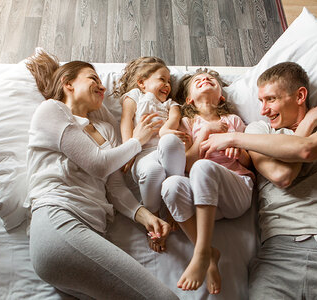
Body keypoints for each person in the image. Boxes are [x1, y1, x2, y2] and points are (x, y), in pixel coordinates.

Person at [199, 62, 317, 299]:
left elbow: (306, 151)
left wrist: (232, 137)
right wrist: (307, 123)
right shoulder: (257, 131)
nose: (263, 110)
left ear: (300, 95)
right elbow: (282, 176)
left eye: (270, 100)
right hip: (278, 257)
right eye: (260, 101)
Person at [25, 50, 179, 300]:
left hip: (92, 234)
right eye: (92, 79)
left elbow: (116, 188)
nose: (101, 87)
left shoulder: (106, 129)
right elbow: (98, 164)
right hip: (59, 220)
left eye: (101, 82)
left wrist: (146, 217)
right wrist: (137, 141)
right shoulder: (51, 111)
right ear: (68, 84)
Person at [161, 69, 255, 295]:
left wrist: (238, 150)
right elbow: (187, 164)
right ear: (189, 99)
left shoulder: (232, 120)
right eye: (198, 81)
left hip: (234, 192)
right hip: (201, 200)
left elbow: (250, 162)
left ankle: (200, 253)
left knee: (205, 167)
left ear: (221, 96)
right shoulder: (187, 122)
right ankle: (210, 256)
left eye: (211, 80)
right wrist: (204, 132)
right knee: (171, 185)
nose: (205, 80)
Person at [118, 57, 187, 251]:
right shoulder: (134, 96)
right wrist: (128, 151)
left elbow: (175, 117)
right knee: (153, 171)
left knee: (171, 141)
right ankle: (154, 215)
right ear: (142, 82)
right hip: (143, 154)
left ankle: (174, 206)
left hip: (167, 152)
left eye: (168, 82)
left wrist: (165, 130)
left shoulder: (171, 103)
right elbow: (126, 121)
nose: (167, 85)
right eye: (161, 79)